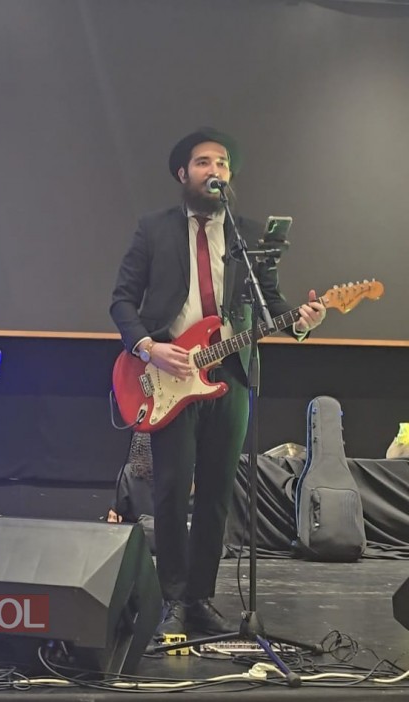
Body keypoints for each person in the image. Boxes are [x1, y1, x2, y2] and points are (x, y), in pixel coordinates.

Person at [109, 128, 326, 639]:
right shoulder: (154, 229)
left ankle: (200, 599)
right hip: (168, 373)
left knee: (216, 493)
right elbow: (121, 300)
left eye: (222, 163)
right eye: (204, 162)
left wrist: (302, 322)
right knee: (170, 490)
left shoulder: (248, 236)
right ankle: (171, 597)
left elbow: (272, 303)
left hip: (230, 373)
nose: (215, 170)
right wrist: (149, 347)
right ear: (183, 173)